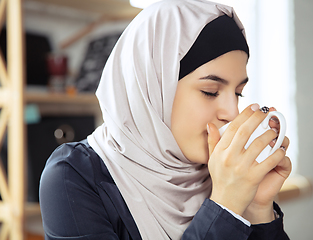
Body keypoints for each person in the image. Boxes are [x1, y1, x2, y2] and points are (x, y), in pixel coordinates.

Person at [39, 0, 292, 239]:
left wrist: (257, 208)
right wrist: (226, 206)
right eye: (210, 92)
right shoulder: (72, 176)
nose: (232, 113)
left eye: (238, 93)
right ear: (152, 88)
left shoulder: (225, 174)